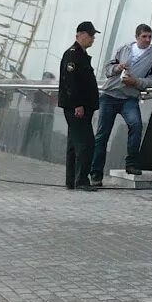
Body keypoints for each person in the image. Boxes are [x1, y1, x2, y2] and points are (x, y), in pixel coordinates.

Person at [90, 24, 152, 184]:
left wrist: (135, 82)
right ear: (137, 37)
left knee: (136, 125)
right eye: (144, 36)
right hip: (110, 95)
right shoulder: (124, 49)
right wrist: (117, 68)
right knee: (102, 135)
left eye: (149, 37)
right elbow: (108, 68)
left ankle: (131, 163)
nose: (147, 39)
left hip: (129, 98)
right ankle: (96, 173)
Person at [58, 21, 100, 188]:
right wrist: (77, 104)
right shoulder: (73, 55)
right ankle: (81, 179)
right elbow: (70, 82)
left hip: (83, 107)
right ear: (81, 35)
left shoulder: (81, 55)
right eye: (90, 36)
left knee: (74, 145)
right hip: (76, 108)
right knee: (85, 143)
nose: (92, 39)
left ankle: (72, 181)